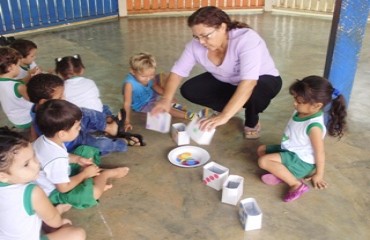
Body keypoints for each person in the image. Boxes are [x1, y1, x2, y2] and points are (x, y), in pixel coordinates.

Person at [151, 6, 282, 139]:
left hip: (262, 79)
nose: (201, 42)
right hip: (228, 80)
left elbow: (249, 82)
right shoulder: (194, 46)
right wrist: (166, 100)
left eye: (206, 36)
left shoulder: (247, 39)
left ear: (223, 27)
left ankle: (252, 119)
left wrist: (224, 116)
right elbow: (178, 72)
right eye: (196, 37)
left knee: (255, 95)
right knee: (190, 89)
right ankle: (232, 105)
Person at [257, 75, 347, 202]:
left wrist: (319, 174)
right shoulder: (303, 110)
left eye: (299, 101)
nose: (294, 103)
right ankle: (283, 174)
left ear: (316, 106)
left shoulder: (314, 127)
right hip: (291, 151)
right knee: (261, 150)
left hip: (301, 161)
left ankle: (296, 185)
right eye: (295, 99)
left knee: (264, 162)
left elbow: (319, 152)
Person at [33, 99, 130, 209]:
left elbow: (62, 156)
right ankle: (104, 175)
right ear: (62, 134)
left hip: (60, 175)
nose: (80, 128)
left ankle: (93, 179)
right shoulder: (56, 160)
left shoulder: (45, 139)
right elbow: (63, 188)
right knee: (93, 194)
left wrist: (77, 159)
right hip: (54, 191)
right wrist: (84, 174)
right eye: (77, 127)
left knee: (85, 151)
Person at [0, 126, 86, 240]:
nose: (36, 164)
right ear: (2, 176)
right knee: (76, 233)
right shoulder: (33, 192)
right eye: (26, 164)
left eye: (34, 156)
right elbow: (55, 222)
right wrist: (59, 210)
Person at [27, 74, 145, 154]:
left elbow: (33, 128)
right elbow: (36, 131)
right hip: (75, 143)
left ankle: (109, 126)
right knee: (101, 145)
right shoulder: (45, 120)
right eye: (60, 96)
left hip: (75, 127)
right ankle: (121, 142)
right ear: (44, 102)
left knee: (84, 111)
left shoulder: (41, 109)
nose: (64, 97)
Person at [122, 52, 198, 131]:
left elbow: (154, 86)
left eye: (151, 75)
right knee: (163, 108)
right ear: (132, 71)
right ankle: (190, 115)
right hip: (143, 105)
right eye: (144, 76)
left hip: (150, 95)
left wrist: (167, 97)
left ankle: (174, 105)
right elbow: (127, 103)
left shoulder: (150, 77)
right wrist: (126, 121)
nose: (148, 79)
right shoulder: (129, 84)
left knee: (165, 77)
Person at [0, 47, 33, 129]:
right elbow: (33, 99)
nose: (19, 68)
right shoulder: (19, 87)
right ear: (10, 68)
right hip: (28, 119)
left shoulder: (7, 82)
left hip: (15, 119)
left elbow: (15, 82)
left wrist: (29, 76)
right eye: (18, 65)